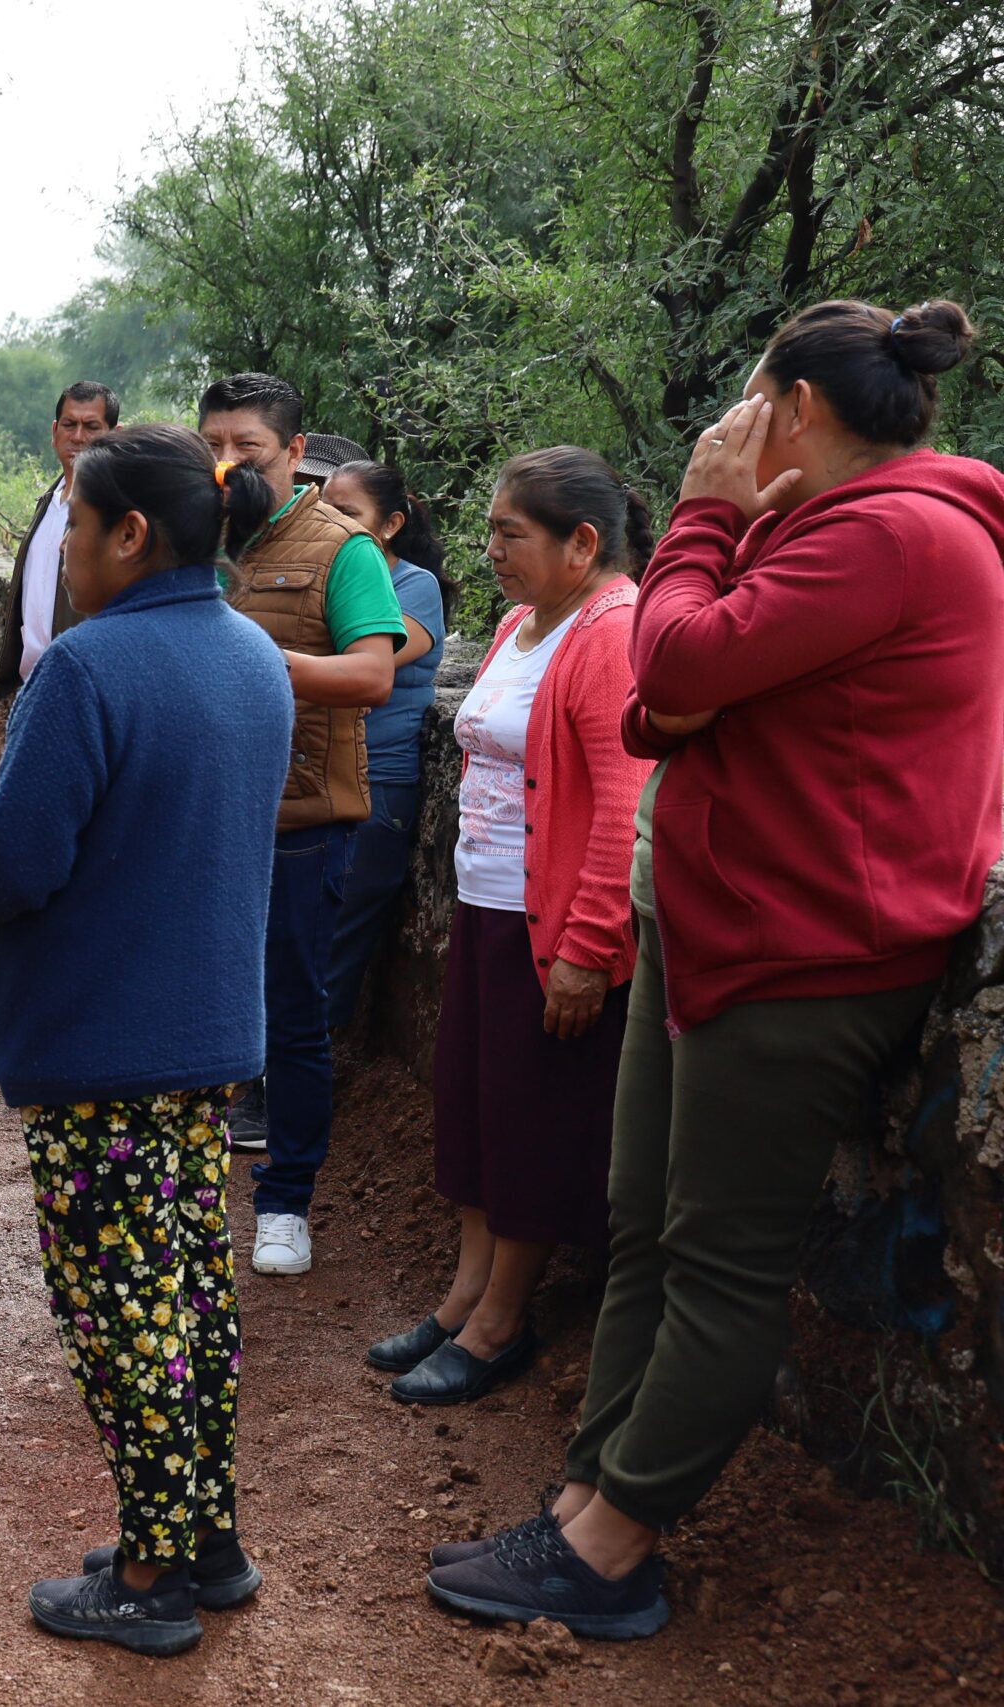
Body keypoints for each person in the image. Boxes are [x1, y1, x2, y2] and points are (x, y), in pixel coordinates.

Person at [429, 299, 1004, 1639]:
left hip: (811, 946)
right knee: (646, 1217)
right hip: (721, 924)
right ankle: (585, 1494)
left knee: (724, 1258)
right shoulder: (827, 532)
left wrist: (702, 511)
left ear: (796, 410)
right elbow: (660, 708)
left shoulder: (890, 533)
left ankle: (616, 1546)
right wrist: (704, 629)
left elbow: (673, 654)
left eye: (747, 403)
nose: (726, 432)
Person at [0, 424, 290, 1657]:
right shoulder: (254, 656)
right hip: (205, 1036)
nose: (66, 555)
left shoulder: (88, 670)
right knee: (192, 1290)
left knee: (118, 1309)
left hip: (105, 1044)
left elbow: (10, 868)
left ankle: (150, 1577)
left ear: (129, 535)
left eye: (75, 532)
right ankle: (205, 1535)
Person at [366, 448, 651, 1407]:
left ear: (582, 542)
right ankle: (463, 1295)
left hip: (552, 929)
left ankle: (502, 1321)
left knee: (530, 1121)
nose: (488, 549)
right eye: (489, 529)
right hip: (491, 910)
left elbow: (622, 806)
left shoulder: (610, 631)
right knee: (477, 1104)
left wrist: (587, 947)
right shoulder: (525, 623)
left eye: (508, 533)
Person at [198, 373, 405, 1277]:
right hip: (200, 819)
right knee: (200, 1013)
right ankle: (193, 1191)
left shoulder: (342, 549)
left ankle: (286, 1201)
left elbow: (370, 676)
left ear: (294, 451)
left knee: (293, 1018)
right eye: (214, 444)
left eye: (246, 447)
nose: (227, 463)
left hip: (301, 822)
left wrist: (261, 659)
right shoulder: (192, 535)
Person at [319, 460, 454, 1025]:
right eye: (324, 510)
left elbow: (355, 668)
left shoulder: (413, 589)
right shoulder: (327, 575)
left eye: (347, 513)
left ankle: (293, 1082)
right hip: (314, 775)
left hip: (376, 785)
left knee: (337, 939)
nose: (331, 523)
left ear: (392, 524)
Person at [0, 381, 118, 695]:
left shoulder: (119, 513)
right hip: (33, 686)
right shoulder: (47, 505)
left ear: (115, 435)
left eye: (91, 427)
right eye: (69, 425)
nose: (77, 437)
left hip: (86, 687)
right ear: (54, 431)